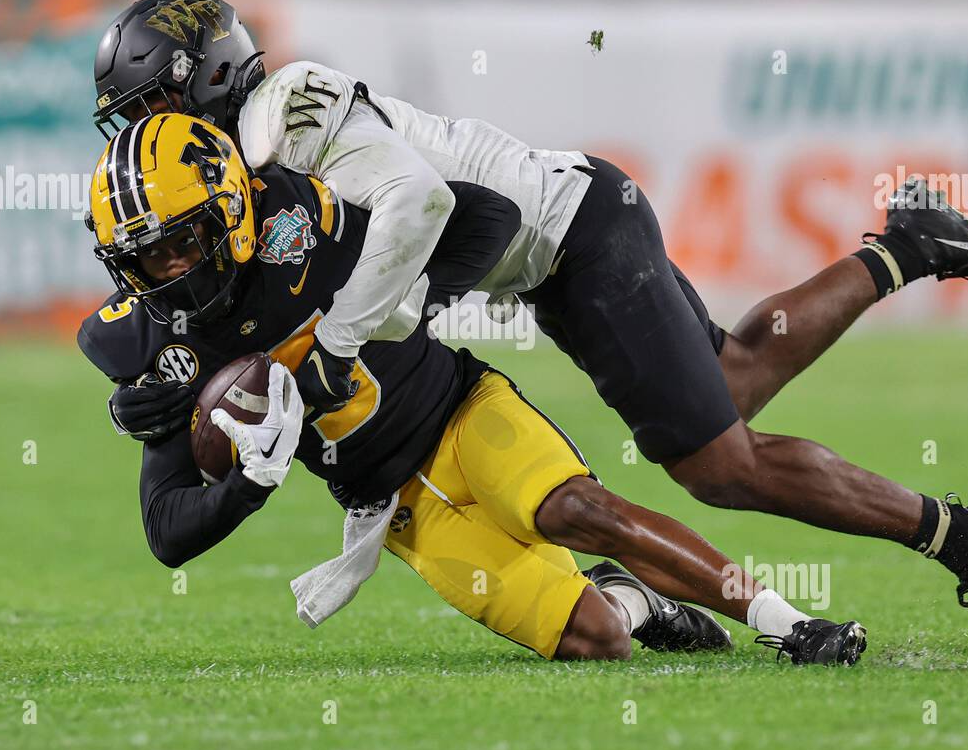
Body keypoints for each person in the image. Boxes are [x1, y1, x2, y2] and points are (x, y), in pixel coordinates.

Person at [90, 0, 968, 651]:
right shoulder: (236, 176)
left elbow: (436, 211)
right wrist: (164, 386)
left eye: (150, 107)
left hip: (567, 233)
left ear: (202, 81)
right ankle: (912, 247)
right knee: (739, 375)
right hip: (555, 242)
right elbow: (221, 304)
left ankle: (967, 534)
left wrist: (347, 340)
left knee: (719, 466)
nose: (141, 137)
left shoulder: (282, 120)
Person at [78, 112, 870, 665]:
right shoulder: (158, 342)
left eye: (183, 243)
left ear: (229, 214)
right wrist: (248, 486)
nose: (171, 273)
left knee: (577, 511)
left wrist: (386, 308)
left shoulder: (304, 217)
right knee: (596, 638)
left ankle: (788, 623)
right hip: (394, 507)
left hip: (458, 410)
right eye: (147, 259)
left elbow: (482, 216)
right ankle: (641, 602)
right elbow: (167, 531)